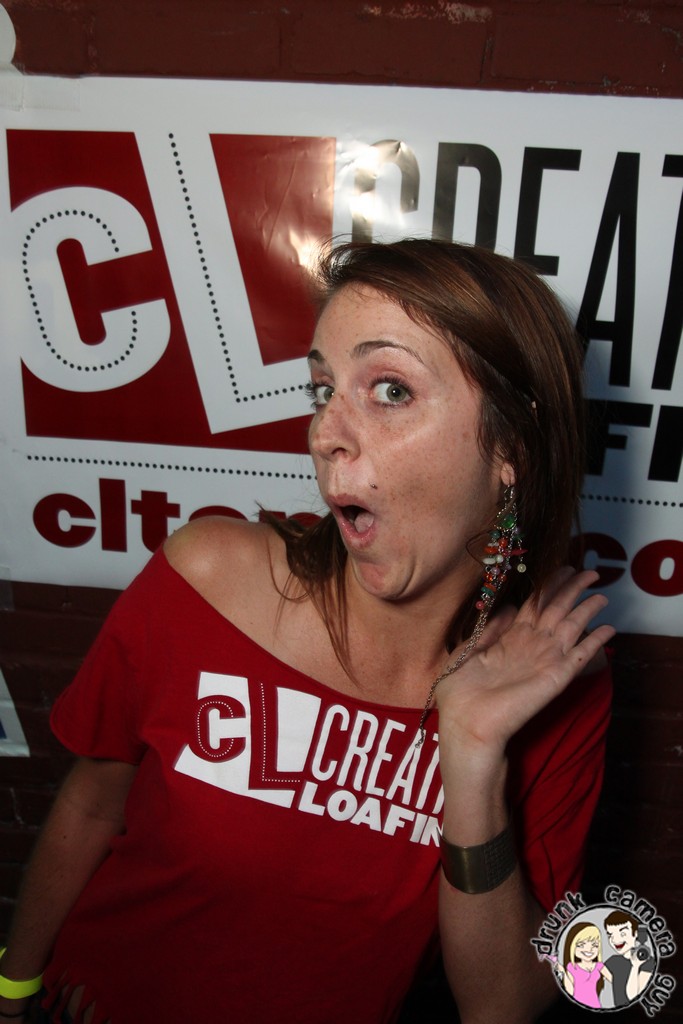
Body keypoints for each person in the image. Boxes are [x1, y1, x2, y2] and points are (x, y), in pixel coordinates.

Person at [0, 239, 614, 1024]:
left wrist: (469, 757)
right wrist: (15, 990)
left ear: (512, 447)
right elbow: (92, 802)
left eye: (390, 389)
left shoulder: (553, 675)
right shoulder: (209, 575)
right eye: (322, 389)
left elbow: (500, 1006)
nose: (325, 432)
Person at [604, 911, 656, 1005]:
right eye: (610, 935)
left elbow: (633, 996)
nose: (615, 940)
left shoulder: (648, 962)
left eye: (623, 934)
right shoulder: (613, 961)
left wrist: (635, 966)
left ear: (635, 934)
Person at [559, 921, 613, 1009]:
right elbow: (570, 991)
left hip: (595, 1005)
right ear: (572, 946)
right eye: (581, 945)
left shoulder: (599, 966)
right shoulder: (572, 967)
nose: (589, 949)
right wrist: (563, 972)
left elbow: (614, 981)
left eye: (595, 945)